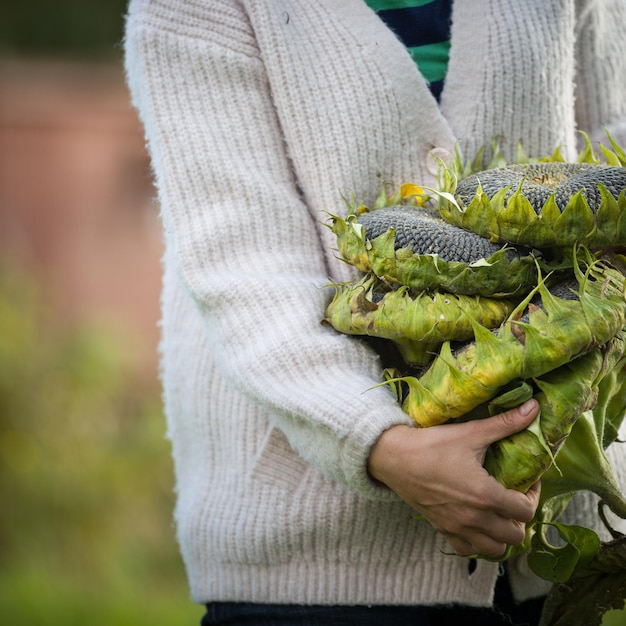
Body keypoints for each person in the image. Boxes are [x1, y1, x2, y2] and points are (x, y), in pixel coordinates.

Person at [123, 0, 626, 623]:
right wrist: (381, 445)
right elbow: (244, 266)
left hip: (554, 551)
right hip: (319, 563)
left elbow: (614, 159)